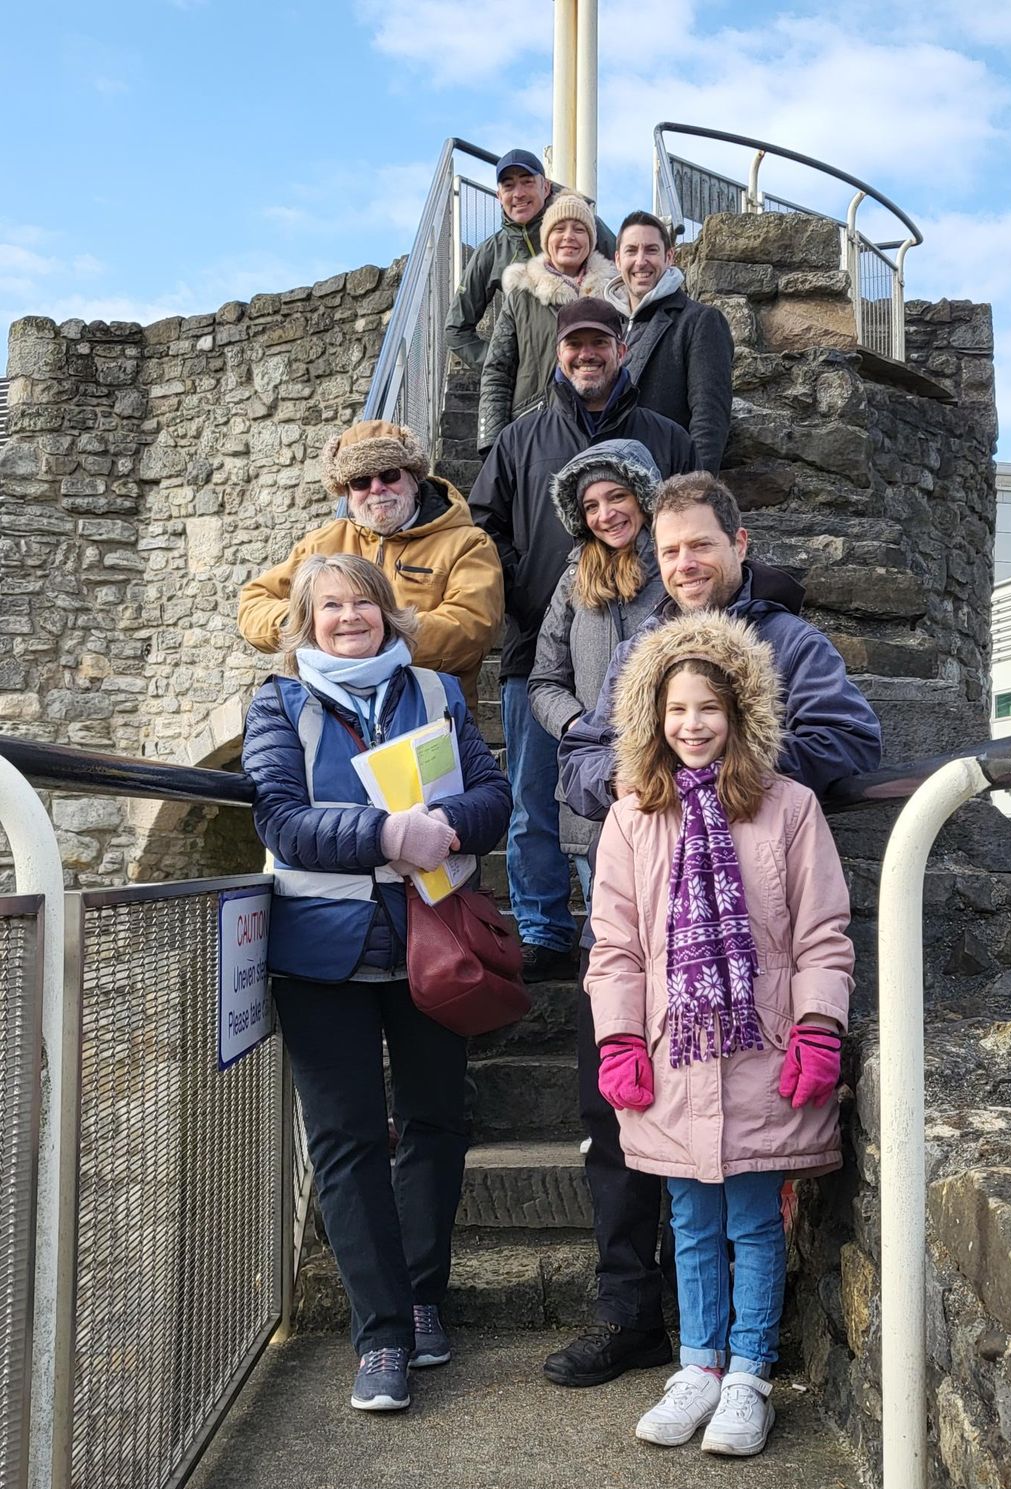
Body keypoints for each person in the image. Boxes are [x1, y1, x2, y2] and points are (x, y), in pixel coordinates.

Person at [542, 472, 879, 1388]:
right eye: (666, 550)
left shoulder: (790, 643)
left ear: (738, 542)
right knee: (617, 1129)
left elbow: (851, 742)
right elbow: (580, 758)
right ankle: (635, 1317)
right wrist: (629, 782)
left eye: (698, 545)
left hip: (752, 948)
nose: (682, 564)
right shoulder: (641, 649)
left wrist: (738, 774)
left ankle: (746, 1361)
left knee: (743, 1200)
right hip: (651, 926)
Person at [241, 553, 511, 1413]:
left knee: (435, 1119)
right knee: (347, 1138)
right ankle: (382, 1335)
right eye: (330, 606)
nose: (348, 617)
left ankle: (423, 1297)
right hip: (322, 954)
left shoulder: (435, 692)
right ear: (305, 622)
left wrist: (444, 824)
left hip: (433, 942)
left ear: (388, 612)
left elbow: (495, 796)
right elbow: (280, 817)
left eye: (362, 603)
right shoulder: (278, 701)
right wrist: (388, 833)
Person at [586, 610, 853, 1453]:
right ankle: (696, 1368)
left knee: (751, 1218)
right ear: (650, 720)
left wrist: (817, 1028)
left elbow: (821, 932)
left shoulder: (789, 807)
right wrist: (619, 1039)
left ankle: (747, 1376)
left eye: (708, 708)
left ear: (739, 714)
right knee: (690, 1220)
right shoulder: (633, 817)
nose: (691, 725)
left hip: (761, 1048)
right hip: (674, 1053)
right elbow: (615, 944)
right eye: (674, 711)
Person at [470, 298, 696, 979]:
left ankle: (636, 926)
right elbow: (485, 530)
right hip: (541, 650)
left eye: (599, 342)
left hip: (648, 665)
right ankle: (541, 926)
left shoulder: (665, 435)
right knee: (535, 797)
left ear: (621, 349)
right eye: (574, 344)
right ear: (559, 353)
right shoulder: (519, 439)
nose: (585, 354)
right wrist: (530, 598)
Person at [238, 419, 502, 711]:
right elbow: (253, 604)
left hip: (426, 713)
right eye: (361, 481)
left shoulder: (467, 544)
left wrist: (374, 635)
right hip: (331, 717)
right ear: (347, 493)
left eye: (389, 474)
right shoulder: (322, 543)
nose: (376, 488)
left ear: (414, 478)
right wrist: (308, 624)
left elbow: (472, 626)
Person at [528, 438, 665, 902]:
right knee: (609, 939)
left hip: (667, 784)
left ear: (644, 498)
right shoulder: (573, 580)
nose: (605, 515)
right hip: (594, 791)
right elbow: (544, 680)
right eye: (591, 505)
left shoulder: (677, 570)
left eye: (617, 497)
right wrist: (577, 724)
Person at [445, 149, 616, 371]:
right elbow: (456, 330)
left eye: (527, 182)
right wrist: (505, 366)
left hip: (591, 368)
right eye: (508, 186)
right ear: (499, 196)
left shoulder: (584, 226)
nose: (518, 193)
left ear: (545, 187)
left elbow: (628, 281)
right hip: (533, 390)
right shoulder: (491, 252)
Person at [477, 194, 616, 454]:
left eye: (579, 229)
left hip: (601, 430)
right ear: (546, 238)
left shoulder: (614, 295)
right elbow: (497, 371)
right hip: (532, 434)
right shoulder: (521, 295)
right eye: (559, 229)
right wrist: (491, 444)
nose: (568, 237)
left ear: (591, 239)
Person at [606, 211, 734, 475]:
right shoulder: (604, 326)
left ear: (669, 257)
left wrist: (696, 493)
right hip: (608, 489)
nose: (641, 261)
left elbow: (709, 419)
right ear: (618, 260)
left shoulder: (699, 321)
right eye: (631, 251)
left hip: (666, 486)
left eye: (651, 250)